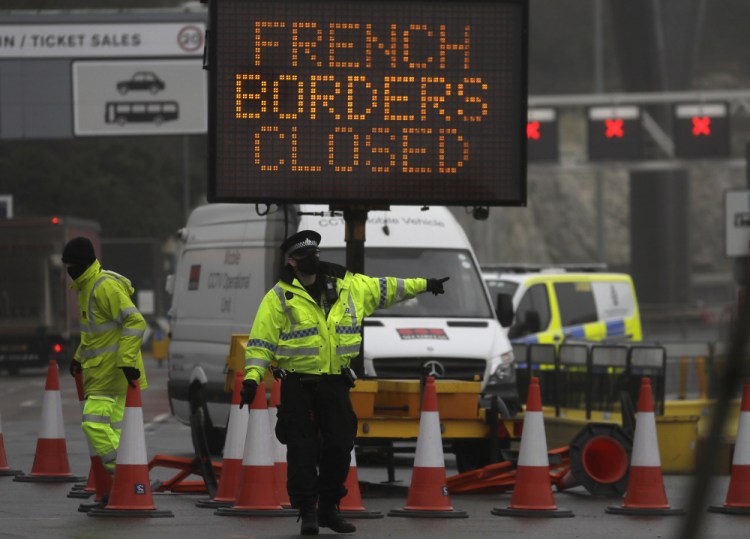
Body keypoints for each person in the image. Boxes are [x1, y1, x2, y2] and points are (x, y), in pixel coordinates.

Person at [241, 230, 448, 536]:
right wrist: (251, 379)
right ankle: (307, 511)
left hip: (335, 384)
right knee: (301, 451)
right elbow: (260, 344)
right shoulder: (278, 299)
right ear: (292, 262)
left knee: (340, 445)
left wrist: (426, 285)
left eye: (315, 253)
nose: (313, 259)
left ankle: (328, 509)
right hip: (297, 384)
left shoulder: (349, 285)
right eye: (305, 256)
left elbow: (390, 287)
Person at [62, 237, 148, 495]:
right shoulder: (85, 286)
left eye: (71, 265)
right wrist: (79, 356)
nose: (69, 270)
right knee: (117, 430)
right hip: (106, 373)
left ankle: (125, 474)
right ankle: (128, 482)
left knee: (93, 424)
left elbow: (136, 321)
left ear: (83, 263)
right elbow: (96, 334)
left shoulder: (103, 286)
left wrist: (125, 360)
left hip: (112, 373)